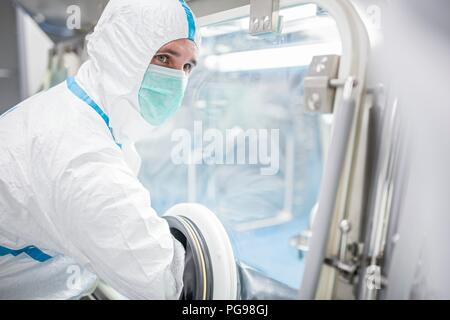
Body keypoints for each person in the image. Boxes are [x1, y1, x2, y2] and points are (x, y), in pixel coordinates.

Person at [0, 0, 200, 299]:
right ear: (121, 50)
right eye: (163, 57)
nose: (178, 78)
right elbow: (165, 282)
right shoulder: (78, 152)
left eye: (187, 66)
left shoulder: (87, 111)